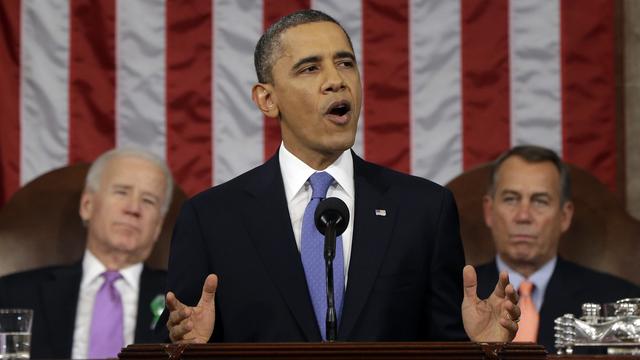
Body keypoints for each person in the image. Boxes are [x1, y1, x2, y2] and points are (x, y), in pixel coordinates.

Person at [160, 9, 519, 344]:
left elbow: (445, 344)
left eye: (345, 63)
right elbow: (184, 335)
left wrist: (481, 350)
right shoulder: (211, 219)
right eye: (309, 69)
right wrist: (188, 350)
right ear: (267, 100)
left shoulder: (424, 209)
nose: (336, 81)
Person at [0, 148, 174, 359]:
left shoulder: (182, 304)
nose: (133, 208)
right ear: (87, 205)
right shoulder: (13, 294)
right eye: (121, 192)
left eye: (148, 200)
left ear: (158, 226)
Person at [475, 145, 640, 352]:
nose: (523, 216)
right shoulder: (453, 298)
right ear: (489, 211)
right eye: (511, 199)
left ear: (565, 216)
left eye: (540, 201)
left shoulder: (618, 300)